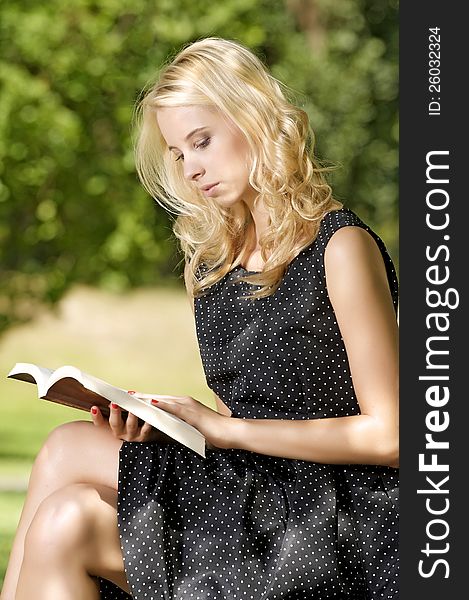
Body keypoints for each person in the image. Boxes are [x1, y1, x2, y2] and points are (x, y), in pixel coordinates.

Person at [1, 37, 399, 600]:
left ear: (253, 119)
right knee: (65, 449)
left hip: (334, 512)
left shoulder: (341, 248)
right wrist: (164, 423)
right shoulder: (216, 266)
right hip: (256, 482)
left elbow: (395, 435)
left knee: (68, 522)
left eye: (202, 141)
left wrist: (225, 430)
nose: (191, 169)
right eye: (178, 153)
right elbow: (244, 409)